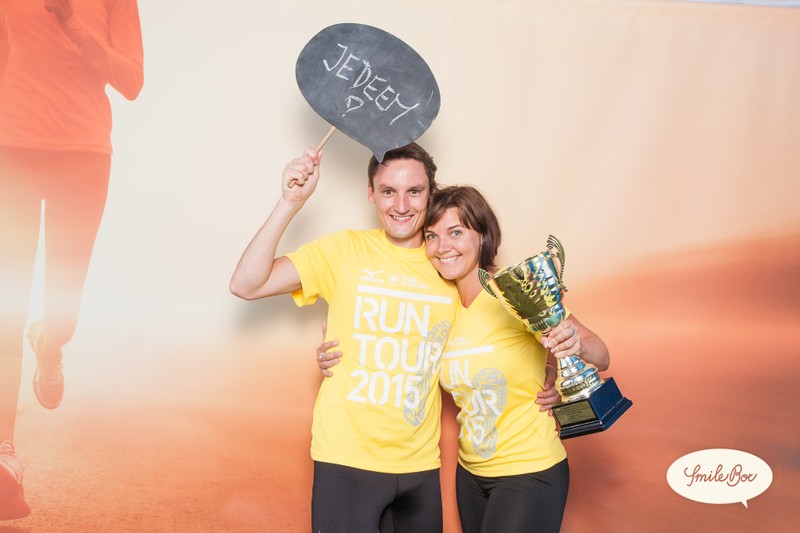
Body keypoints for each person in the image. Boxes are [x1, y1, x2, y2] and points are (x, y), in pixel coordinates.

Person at [318, 185, 611, 532]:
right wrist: (334, 351)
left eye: (456, 232)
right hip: (470, 475)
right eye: (432, 236)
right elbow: (400, 352)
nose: (443, 246)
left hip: (529, 470)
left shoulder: (513, 292)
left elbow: (600, 353)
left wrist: (574, 348)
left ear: (483, 236)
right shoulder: (442, 305)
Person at [229, 143, 460, 532]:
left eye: (414, 191)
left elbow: (489, 339)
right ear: (371, 193)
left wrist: (551, 375)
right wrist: (290, 202)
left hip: (421, 466)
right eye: (388, 191)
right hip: (346, 461)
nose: (401, 205)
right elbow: (246, 284)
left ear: (430, 194)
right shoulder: (343, 249)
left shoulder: (450, 261)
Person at [0, 0, 143, 520]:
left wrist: (70, 20)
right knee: (6, 307)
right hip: (11, 149)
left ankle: (49, 343)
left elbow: (131, 81)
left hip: (82, 155)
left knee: (62, 316)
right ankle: (5, 454)